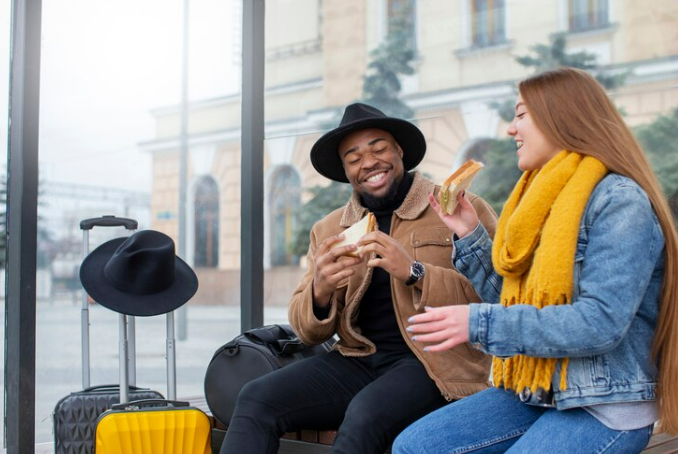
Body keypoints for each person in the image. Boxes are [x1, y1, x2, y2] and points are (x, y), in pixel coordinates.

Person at [392, 67, 678, 454]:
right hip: (538, 389)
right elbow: (514, 302)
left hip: (604, 402)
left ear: (561, 117)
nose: (511, 129)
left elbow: (600, 323)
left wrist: (478, 323)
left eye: (521, 114)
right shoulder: (538, 201)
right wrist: (469, 235)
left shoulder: (619, 201)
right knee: (414, 446)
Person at [219, 103, 498, 454]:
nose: (368, 162)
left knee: (364, 416)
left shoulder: (458, 207)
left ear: (400, 151)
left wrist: (413, 271)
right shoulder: (331, 228)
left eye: (379, 148)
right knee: (256, 397)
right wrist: (320, 290)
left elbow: (494, 296)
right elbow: (308, 332)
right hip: (359, 359)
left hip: (435, 364)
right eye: (353, 158)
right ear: (345, 170)